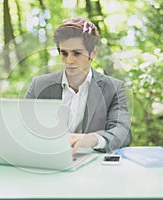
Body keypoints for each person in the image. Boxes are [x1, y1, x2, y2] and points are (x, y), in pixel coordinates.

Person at [25, 17, 131, 154]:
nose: (69, 61)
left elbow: (123, 132)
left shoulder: (113, 88)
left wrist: (93, 139)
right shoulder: (38, 85)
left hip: (92, 165)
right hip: (46, 159)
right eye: (64, 53)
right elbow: (23, 127)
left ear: (93, 53)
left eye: (77, 53)